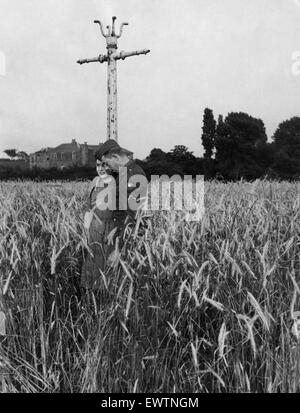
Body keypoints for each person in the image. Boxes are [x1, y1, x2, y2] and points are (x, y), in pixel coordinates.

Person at [95, 139, 148, 264]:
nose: (107, 168)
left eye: (106, 163)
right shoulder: (126, 172)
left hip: (126, 241)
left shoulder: (131, 175)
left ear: (115, 157)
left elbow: (130, 216)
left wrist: (119, 248)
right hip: (123, 238)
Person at [80, 156, 115, 290]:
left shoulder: (117, 184)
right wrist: (85, 231)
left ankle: (103, 299)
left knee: (106, 266)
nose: (101, 168)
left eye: (105, 165)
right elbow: (87, 207)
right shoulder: (95, 181)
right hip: (93, 229)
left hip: (109, 230)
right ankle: (89, 297)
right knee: (90, 263)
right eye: (98, 165)